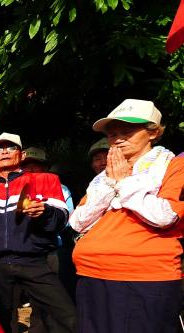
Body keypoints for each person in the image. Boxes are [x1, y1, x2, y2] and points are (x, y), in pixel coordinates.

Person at [70, 99, 184, 333]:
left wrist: (124, 182)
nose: (118, 138)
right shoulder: (102, 177)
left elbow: (165, 215)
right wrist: (111, 182)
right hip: (91, 271)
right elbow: (77, 221)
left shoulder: (174, 165)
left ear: (153, 133)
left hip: (143, 275)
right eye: (112, 134)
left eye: (128, 131)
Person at [0, 132, 76, 333]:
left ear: (21, 155)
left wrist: (45, 212)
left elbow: (62, 219)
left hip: (34, 261)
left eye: (10, 147)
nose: (4, 151)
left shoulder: (46, 179)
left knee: (67, 316)